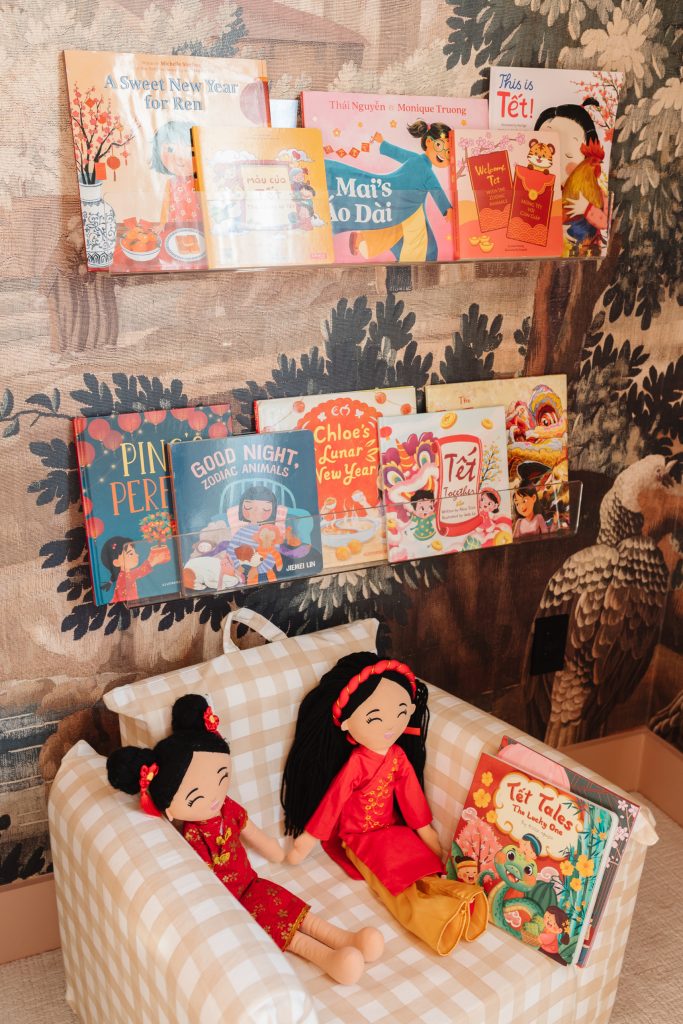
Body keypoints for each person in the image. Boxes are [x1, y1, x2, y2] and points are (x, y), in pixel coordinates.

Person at [106, 694, 383, 985]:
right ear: (172, 808)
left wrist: (276, 852)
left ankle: (346, 938)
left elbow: (250, 830)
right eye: (197, 795)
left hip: (252, 881)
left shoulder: (228, 808)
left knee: (293, 909)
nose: (214, 795)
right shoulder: (189, 838)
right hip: (232, 904)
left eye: (221, 777)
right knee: (284, 931)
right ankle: (328, 959)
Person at [281, 653, 487, 955]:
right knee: (394, 883)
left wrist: (428, 836)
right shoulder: (356, 763)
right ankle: (436, 920)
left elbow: (411, 798)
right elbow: (333, 802)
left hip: (393, 829)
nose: (391, 725)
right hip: (360, 838)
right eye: (375, 718)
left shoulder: (398, 757)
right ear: (347, 723)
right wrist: (306, 842)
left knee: (424, 866)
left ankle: (459, 896)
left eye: (401, 712)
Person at [327, 120, 453, 263]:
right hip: (409, 204)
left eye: (449, 151)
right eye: (440, 146)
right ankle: (407, 260)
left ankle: (365, 238)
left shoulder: (415, 159)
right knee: (421, 240)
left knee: (396, 228)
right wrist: (446, 209)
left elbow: (399, 153)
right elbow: (436, 189)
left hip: (396, 197)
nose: (444, 154)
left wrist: (383, 144)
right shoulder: (426, 170)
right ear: (429, 142)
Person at [534, 99, 607, 255]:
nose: (555, 161)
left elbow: (602, 221)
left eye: (567, 155)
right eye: (543, 152)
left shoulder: (595, 193)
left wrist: (586, 208)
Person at [150, 121, 203, 232]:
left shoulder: (199, 180)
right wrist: (162, 224)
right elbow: (166, 204)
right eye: (171, 149)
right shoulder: (170, 183)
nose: (180, 158)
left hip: (197, 225)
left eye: (189, 152)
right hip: (175, 226)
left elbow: (204, 203)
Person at [100, 535, 166, 602]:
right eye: (131, 553)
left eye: (134, 552)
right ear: (116, 562)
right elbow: (139, 571)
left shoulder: (125, 575)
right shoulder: (124, 576)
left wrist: (151, 561)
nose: (137, 555)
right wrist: (152, 562)